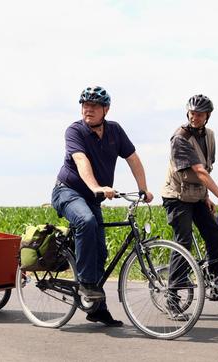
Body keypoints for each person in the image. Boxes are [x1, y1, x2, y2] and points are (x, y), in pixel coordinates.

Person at [52, 86, 154, 327]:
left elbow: (133, 158)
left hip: (91, 198)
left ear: (105, 110)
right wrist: (96, 186)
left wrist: (143, 188)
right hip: (68, 191)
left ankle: (97, 310)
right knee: (85, 221)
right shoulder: (75, 130)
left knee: (100, 252)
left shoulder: (115, 131)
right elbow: (80, 160)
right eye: (85, 105)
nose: (88, 109)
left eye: (94, 106)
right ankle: (86, 284)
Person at [161, 94, 218, 311]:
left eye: (200, 114)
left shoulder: (209, 136)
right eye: (192, 113)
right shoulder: (179, 138)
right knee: (183, 242)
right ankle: (172, 296)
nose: (195, 117)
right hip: (177, 197)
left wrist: (206, 196)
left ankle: (217, 287)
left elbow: (206, 167)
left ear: (207, 116)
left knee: (216, 235)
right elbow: (198, 171)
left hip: (197, 196)